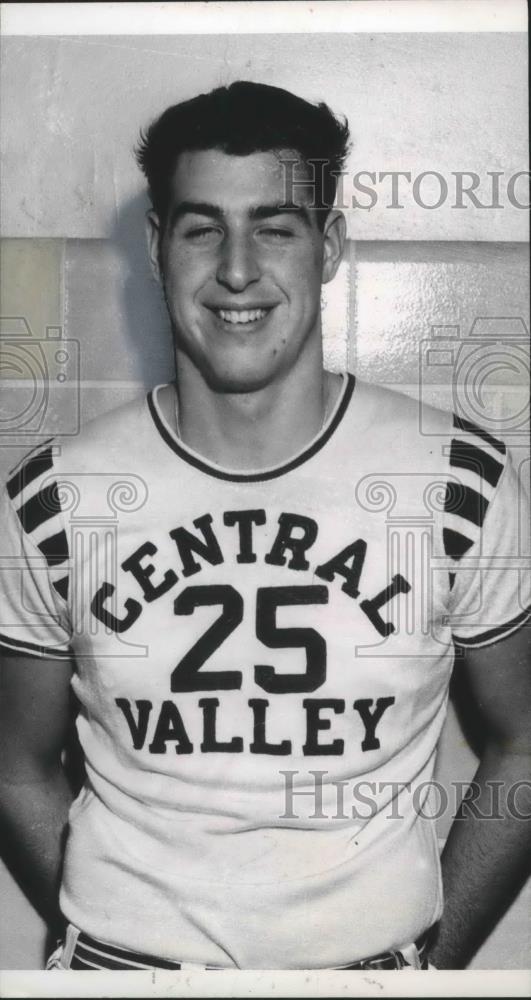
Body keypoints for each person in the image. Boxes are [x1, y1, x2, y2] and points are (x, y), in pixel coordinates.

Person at [0, 81, 529, 973]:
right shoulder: (55, 495)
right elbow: (14, 762)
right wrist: (110, 942)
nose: (237, 270)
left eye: (276, 227)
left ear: (328, 246)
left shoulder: (456, 482)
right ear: (157, 245)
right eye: (202, 227)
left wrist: (431, 966)